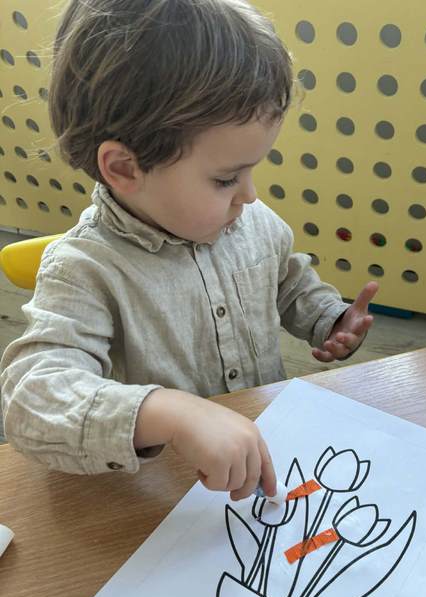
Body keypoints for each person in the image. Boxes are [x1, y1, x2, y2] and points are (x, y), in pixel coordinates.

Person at [0, 0, 378, 501]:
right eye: (225, 179)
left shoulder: (252, 222)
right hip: (168, 489)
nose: (250, 195)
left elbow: (288, 280)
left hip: (265, 447)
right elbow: (30, 403)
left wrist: (328, 318)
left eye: (251, 170)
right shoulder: (84, 271)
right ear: (125, 169)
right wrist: (169, 413)